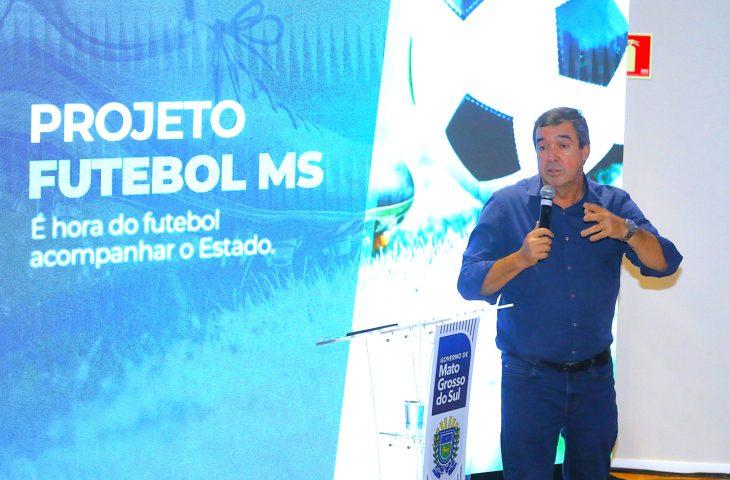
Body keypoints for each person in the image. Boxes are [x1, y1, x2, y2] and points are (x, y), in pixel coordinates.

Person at [457, 107, 682, 480]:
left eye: (562, 145)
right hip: (528, 380)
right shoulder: (508, 205)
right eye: (542, 146)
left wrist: (625, 230)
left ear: (585, 150)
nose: (551, 156)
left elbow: (665, 262)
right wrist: (519, 259)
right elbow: (468, 283)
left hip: (593, 381)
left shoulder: (612, 205)